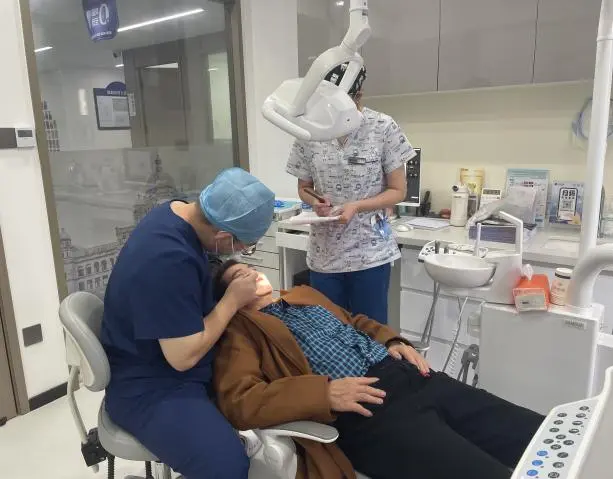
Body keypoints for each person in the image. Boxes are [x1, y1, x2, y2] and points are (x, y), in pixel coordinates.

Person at [212, 261, 544, 479]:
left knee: (538, 435)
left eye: (252, 267)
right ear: (230, 296)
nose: (254, 274)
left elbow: (355, 321)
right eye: (241, 276)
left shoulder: (303, 295)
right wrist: (323, 394)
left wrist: (392, 340)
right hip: (371, 412)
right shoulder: (240, 333)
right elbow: (241, 401)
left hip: (415, 378)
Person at [100, 168, 275, 479]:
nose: (243, 253)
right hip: (150, 386)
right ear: (223, 237)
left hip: (169, 362)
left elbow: (199, 266)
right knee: (225, 465)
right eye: (245, 247)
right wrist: (232, 300)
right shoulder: (166, 259)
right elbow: (183, 357)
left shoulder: (175, 212)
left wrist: (229, 272)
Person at [286, 63, 415, 325]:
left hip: (370, 255)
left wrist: (357, 205)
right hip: (325, 257)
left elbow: (398, 190)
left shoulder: (382, 127)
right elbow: (303, 188)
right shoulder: (310, 130)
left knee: (371, 334)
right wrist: (315, 201)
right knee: (329, 335)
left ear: (358, 95)